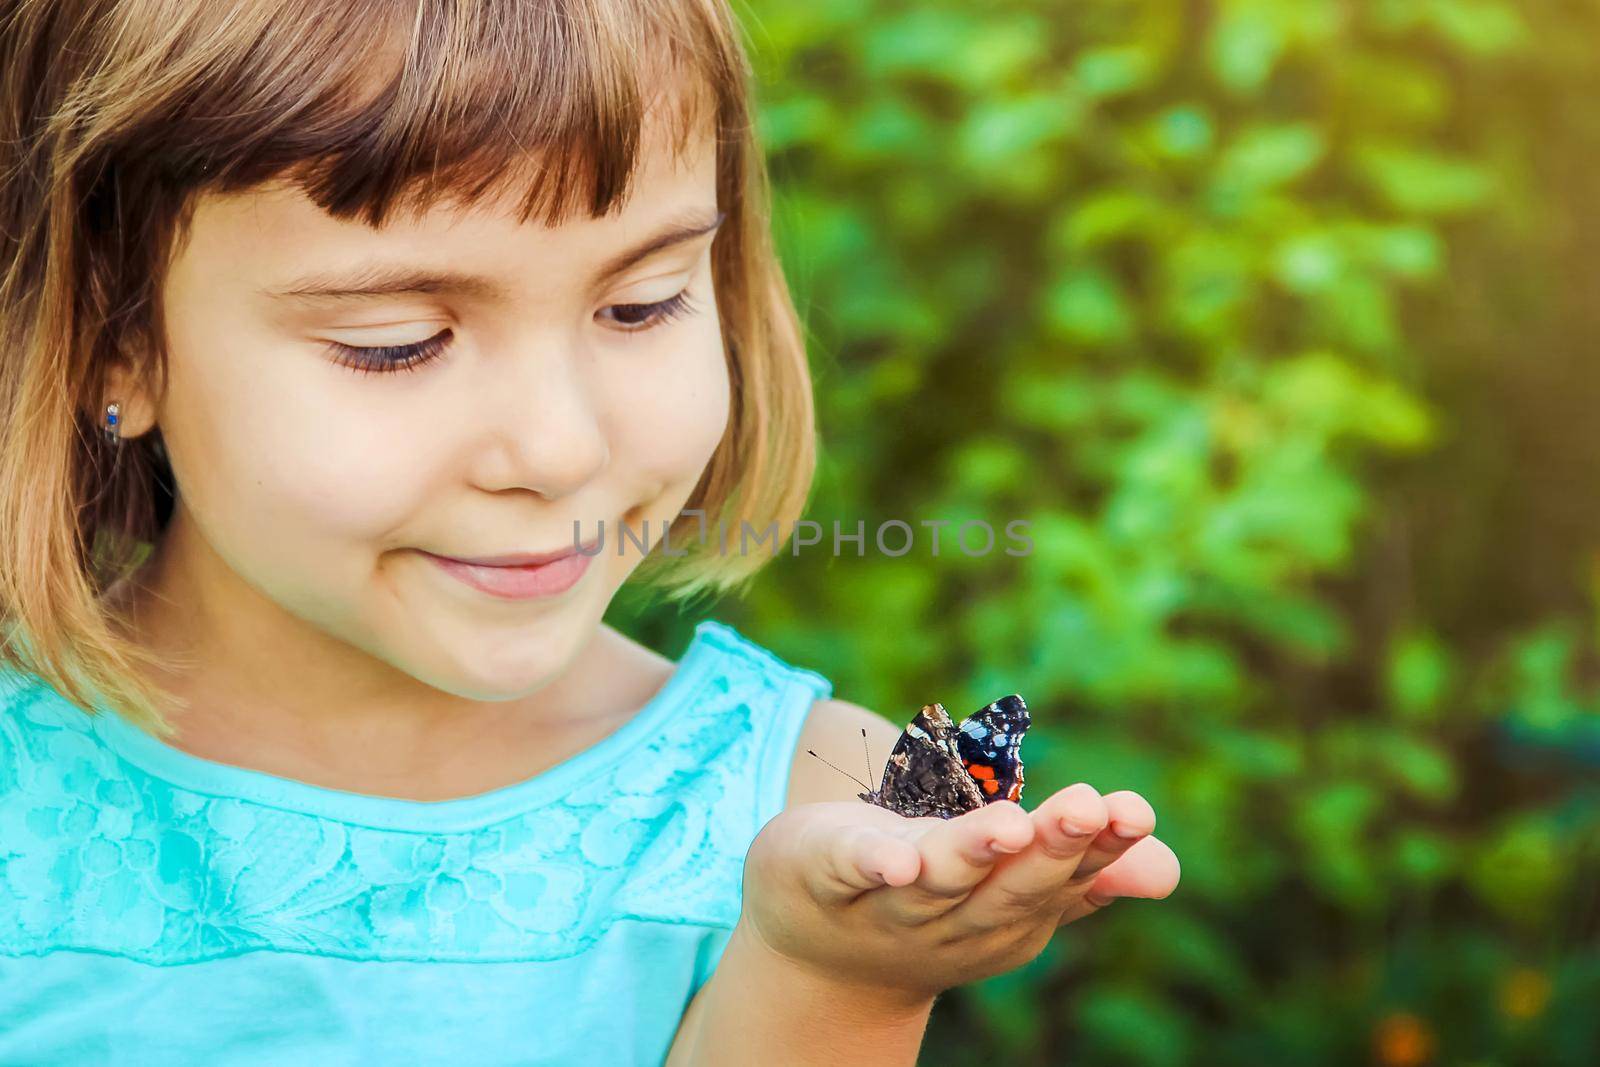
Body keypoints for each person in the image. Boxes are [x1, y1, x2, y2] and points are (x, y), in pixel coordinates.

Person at [0, 0, 1180, 1062]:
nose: (560, 448)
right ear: (116, 336)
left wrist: (837, 975)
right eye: (399, 341)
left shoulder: (816, 800)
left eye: (641, 303)